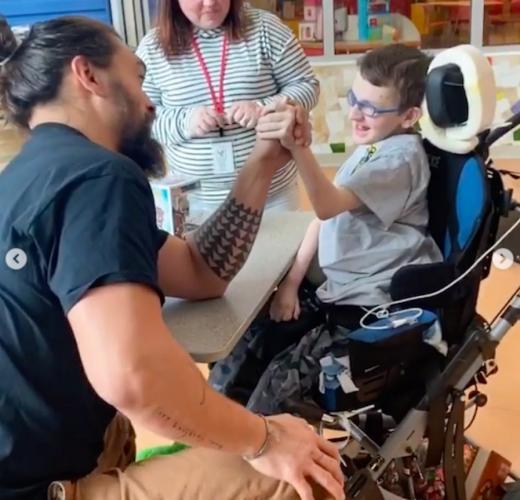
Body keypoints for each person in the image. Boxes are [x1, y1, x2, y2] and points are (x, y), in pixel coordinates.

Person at [0, 16, 344, 500]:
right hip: (34, 487)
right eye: (138, 78)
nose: (150, 102)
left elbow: (201, 272)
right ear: (88, 75)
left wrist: (262, 162)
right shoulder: (97, 176)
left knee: (130, 429)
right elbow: (134, 379)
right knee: (303, 470)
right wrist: (266, 439)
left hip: (34, 458)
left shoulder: (30, 177)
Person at [209, 44, 444, 414]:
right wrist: (291, 283)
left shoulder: (399, 160)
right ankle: (218, 432)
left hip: (367, 305)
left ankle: (253, 441)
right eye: (354, 99)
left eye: (371, 108)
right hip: (335, 289)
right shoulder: (374, 146)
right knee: (240, 357)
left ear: (409, 115)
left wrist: (299, 148)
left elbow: (326, 205)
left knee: (271, 398)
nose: (355, 114)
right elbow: (324, 218)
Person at [135, 0, 320, 218]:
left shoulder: (267, 29)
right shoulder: (152, 48)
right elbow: (141, 120)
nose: (210, 3)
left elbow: (307, 85)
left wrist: (263, 108)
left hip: (271, 195)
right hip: (194, 201)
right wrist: (185, 121)